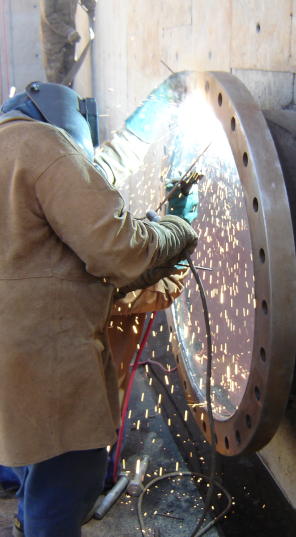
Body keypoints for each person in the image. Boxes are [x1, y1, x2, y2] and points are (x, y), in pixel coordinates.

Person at [0, 81, 198, 537]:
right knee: (72, 473)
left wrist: (148, 119)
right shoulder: (45, 146)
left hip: (15, 371)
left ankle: (28, 524)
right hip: (42, 363)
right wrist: (174, 230)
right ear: (67, 128)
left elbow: (96, 172)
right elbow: (119, 250)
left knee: (34, 462)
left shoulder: (16, 145)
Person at [40, 0, 96, 84]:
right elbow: (48, 14)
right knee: (56, 79)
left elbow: (88, 1)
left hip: (69, 37)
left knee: (69, 75)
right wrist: (68, 31)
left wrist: (96, 15)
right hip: (52, 39)